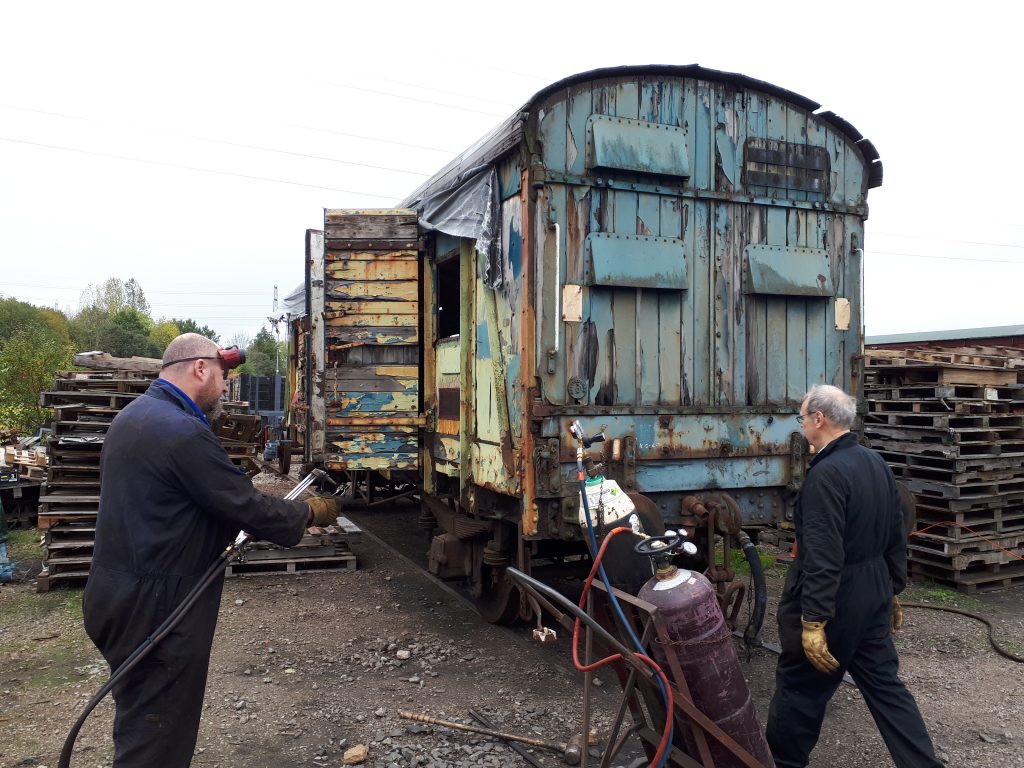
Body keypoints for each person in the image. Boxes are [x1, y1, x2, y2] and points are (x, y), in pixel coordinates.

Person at [82, 333, 340, 767]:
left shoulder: (133, 418)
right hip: (156, 604)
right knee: (157, 735)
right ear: (200, 368)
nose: (224, 388)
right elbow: (246, 505)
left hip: (115, 592)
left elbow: (186, 503)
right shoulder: (181, 432)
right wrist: (311, 513)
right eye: (221, 377)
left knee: (142, 718)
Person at [765, 384, 941, 768]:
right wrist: (892, 589)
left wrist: (812, 620)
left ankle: (782, 763)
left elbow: (823, 554)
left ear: (819, 419)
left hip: (837, 601)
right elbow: (896, 533)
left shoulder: (826, 475)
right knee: (887, 689)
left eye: (802, 418)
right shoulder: (874, 462)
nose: (802, 426)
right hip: (873, 593)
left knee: (801, 690)